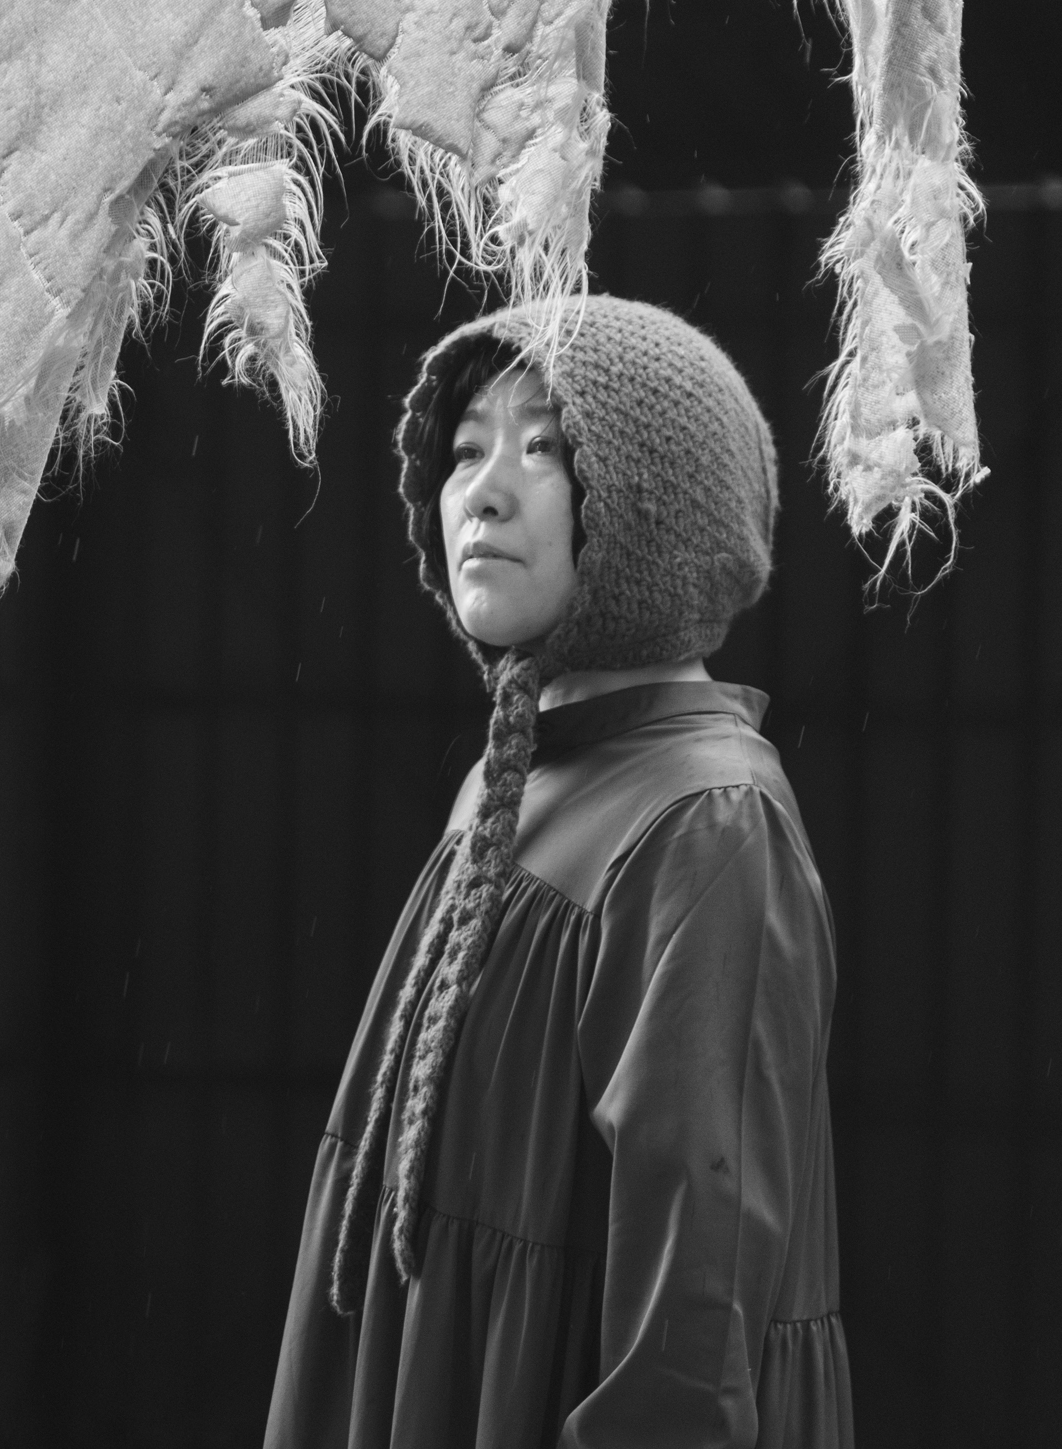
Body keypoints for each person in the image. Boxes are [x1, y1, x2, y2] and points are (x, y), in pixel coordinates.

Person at [264, 295, 851, 1449]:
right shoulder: (512, 777)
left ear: (657, 507)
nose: (481, 491)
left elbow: (691, 1339)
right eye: (465, 447)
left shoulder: (705, 819)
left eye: (542, 446)